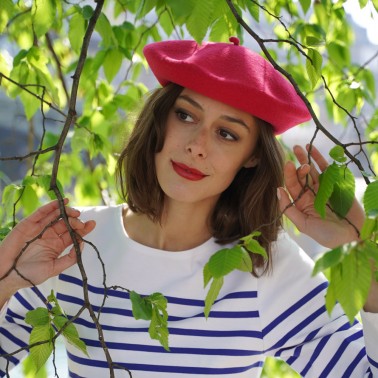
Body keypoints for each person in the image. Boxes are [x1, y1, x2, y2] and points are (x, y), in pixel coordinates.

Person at [0, 38, 377, 377]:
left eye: (227, 134)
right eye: (186, 115)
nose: (198, 145)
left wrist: (363, 247)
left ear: (251, 158)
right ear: (160, 121)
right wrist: (5, 279)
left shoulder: (267, 269)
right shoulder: (72, 245)